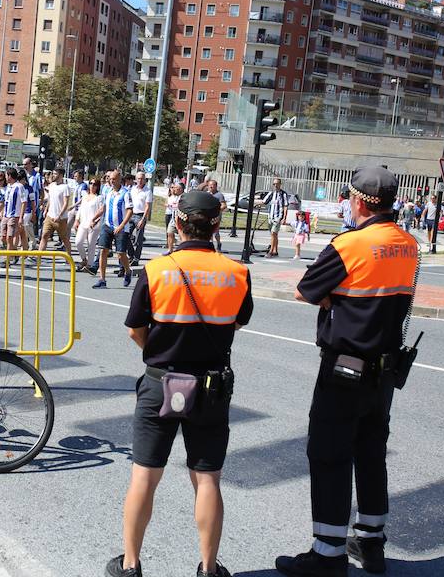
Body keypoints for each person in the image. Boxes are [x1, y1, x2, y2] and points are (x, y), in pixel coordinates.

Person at [276, 167, 418, 577]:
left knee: (329, 454)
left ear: (357, 202)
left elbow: (306, 291)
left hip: (345, 366)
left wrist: (334, 301)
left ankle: (328, 553)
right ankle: (371, 542)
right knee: (372, 453)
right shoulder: (409, 244)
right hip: (385, 370)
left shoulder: (350, 245)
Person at [107, 190, 253, 577]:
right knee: (207, 478)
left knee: (144, 474)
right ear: (217, 225)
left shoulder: (156, 270)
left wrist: (157, 351)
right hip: (210, 387)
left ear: (178, 224)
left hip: (160, 383)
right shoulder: (237, 273)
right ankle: (208, 569)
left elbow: (136, 330)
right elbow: (236, 323)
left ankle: (131, 565)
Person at [92, 170, 133, 289]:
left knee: (120, 254)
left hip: (121, 228)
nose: (111, 181)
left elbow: (130, 211)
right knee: (103, 251)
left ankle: (128, 271)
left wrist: (121, 225)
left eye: (114, 179)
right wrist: (94, 218)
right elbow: (104, 207)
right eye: (110, 179)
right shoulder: (108, 192)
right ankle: (102, 279)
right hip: (107, 226)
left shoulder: (125, 193)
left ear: (120, 179)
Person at [37, 168, 72, 256]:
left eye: (55, 174)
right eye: (53, 173)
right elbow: (50, 199)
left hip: (60, 218)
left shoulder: (65, 187)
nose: (53, 175)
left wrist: (59, 215)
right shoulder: (52, 185)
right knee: (44, 235)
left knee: (64, 238)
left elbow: (65, 203)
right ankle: (39, 257)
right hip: (50, 216)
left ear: (60, 175)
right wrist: (46, 210)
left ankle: (69, 257)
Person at [74, 178, 103, 274]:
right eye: (90, 183)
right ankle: (84, 259)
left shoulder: (99, 198)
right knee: (78, 242)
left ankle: (89, 265)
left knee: (91, 245)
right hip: (83, 223)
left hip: (94, 225)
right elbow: (80, 209)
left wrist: (96, 221)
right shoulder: (85, 196)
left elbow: (102, 211)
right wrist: (77, 220)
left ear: (98, 186)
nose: (92, 186)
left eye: (94, 184)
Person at [258, 178, 288, 257]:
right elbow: (264, 202)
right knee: (274, 235)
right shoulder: (271, 193)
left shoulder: (283, 194)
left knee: (273, 233)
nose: (275, 185)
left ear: (280, 184)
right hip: (270, 217)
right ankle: (275, 250)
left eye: (277, 184)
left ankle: (270, 251)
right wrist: (255, 203)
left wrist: (284, 218)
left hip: (278, 217)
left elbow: (285, 206)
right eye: (274, 184)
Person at [128, 172, 153, 264]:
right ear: (136, 179)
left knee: (138, 239)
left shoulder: (147, 191)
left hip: (140, 215)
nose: (140, 180)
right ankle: (131, 254)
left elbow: (147, 206)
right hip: (131, 215)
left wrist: (143, 219)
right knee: (126, 235)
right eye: (138, 178)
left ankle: (136, 258)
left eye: (142, 178)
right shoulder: (132, 189)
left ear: (145, 180)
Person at [0, 168, 24, 261]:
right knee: (3, 237)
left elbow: (23, 202)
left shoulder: (19, 186)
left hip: (14, 215)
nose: (6, 177)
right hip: (6, 215)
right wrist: (2, 213)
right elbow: (5, 202)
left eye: (6, 175)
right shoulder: (8, 187)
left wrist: (21, 217)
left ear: (10, 176)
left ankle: (8, 258)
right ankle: (14, 252)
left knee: (10, 236)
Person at [66, 170, 88, 250]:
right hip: (73, 209)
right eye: (74, 176)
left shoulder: (84, 186)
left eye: (76, 176)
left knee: (78, 227)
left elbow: (83, 198)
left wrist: (74, 205)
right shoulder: (76, 185)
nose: (75, 178)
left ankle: (83, 243)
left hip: (79, 209)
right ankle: (66, 242)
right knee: (68, 225)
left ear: (81, 177)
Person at [206, 180, 226, 253]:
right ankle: (210, 245)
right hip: (208, 215)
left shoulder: (219, 195)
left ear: (216, 186)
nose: (211, 187)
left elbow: (224, 205)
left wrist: (217, 210)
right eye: (209, 185)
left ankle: (218, 243)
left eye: (212, 185)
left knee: (215, 232)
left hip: (216, 216)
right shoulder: (207, 194)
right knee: (209, 231)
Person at [166, 183, 184, 254]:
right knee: (170, 232)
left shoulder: (184, 197)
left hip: (181, 219)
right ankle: (170, 250)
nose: (173, 189)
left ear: (180, 189)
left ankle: (182, 250)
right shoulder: (174, 196)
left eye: (175, 188)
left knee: (181, 235)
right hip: (173, 218)